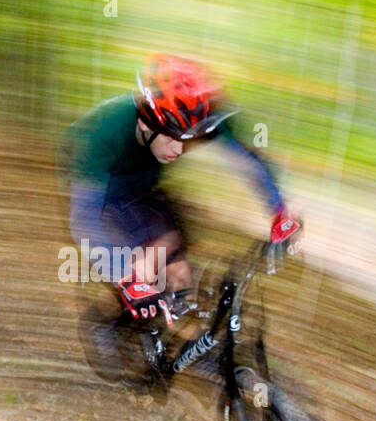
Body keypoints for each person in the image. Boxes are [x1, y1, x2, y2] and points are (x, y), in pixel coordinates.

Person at [64, 54, 300, 335]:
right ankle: (111, 328)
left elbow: (249, 161)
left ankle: (181, 344)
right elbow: (84, 217)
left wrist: (279, 211)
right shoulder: (104, 132)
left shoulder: (194, 116)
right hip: (104, 192)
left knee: (179, 269)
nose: (180, 148)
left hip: (145, 185)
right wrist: (124, 278)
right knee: (147, 258)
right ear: (144, 123)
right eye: (171, 136)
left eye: (189, 138)